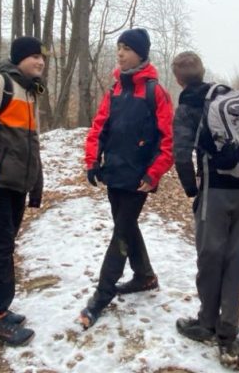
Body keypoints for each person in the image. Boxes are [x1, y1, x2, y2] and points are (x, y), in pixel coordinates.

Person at [80, 28, 174, 329]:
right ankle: (145, 276)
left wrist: (154, 172)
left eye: (126, 49)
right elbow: (99, 127)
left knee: (120, 232)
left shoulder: (154, 92)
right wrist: (92, 160)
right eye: (118, 48)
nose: (120, 53)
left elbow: (167, 140)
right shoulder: (115, 90)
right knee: (127, 226)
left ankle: (102, 294)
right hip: (114, 174)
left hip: (138, 179)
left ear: (141, 53)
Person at [170, 51, 239, 365]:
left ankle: (206, 323)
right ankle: (229, 330)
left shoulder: (189, 104)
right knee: (235, 258)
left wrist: (192, 190)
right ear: (202, 71)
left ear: (178, 78)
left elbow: (181, 155)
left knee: (210, 256)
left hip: (215, 193)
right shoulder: (227, 95)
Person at [0, 36, 45, 346]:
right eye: (34, 57)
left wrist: (36, 185)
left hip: (16, 185)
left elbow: (33, 144)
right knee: (0, 248)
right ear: (19, 59)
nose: (40, 62)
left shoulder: (29, 94)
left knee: (5, 247)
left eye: (42, 57)